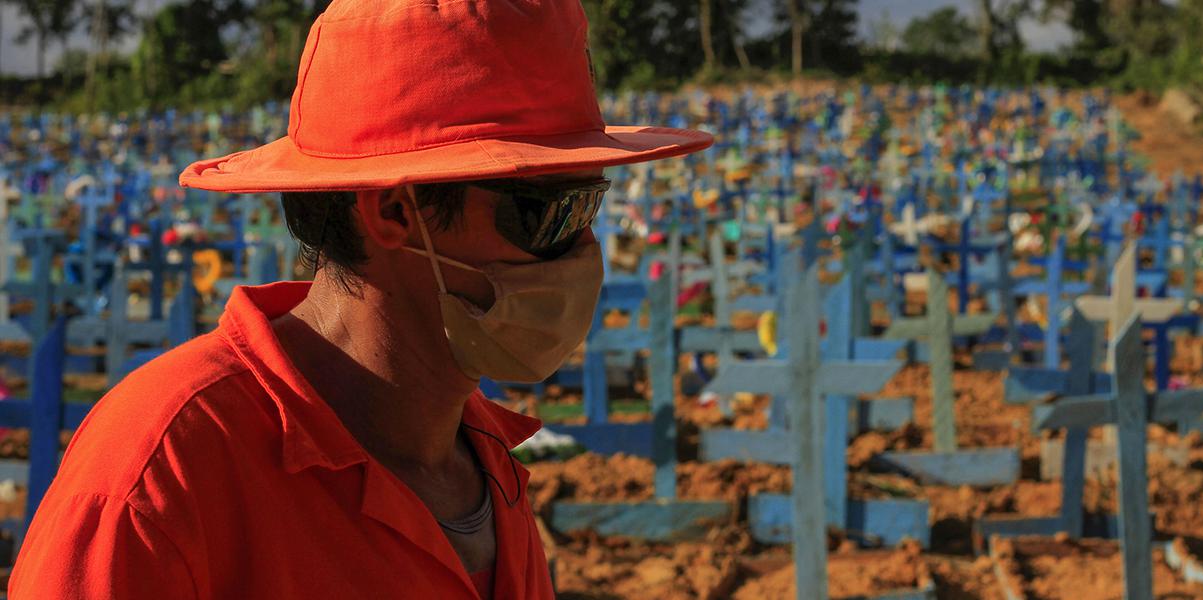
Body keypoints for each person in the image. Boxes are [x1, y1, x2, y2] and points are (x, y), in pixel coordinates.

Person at [8, 0, 711, 598]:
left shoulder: (484, 463)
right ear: (393, 212)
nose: (583, 249)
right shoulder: (163, 476)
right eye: (547, 214)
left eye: (589, 204)